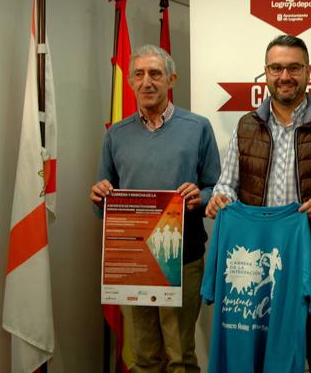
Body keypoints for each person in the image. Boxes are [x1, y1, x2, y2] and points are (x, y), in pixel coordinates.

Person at [206, 34, 311, 373]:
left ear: (308, 73)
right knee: (256, 349)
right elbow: (227, 184)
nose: (285, 76)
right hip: (258, 265)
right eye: (276, 68)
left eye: (294, 68)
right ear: (265, 72)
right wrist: (220, 200)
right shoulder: (247, 126)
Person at [89, 44, 221, 373]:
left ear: (171, 79)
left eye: (155, 74)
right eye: (139, 74)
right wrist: (100, 198)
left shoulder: (197, 128)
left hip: (183, 257)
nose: (147, 81)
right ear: (132, 81)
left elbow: (217, 190)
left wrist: (200, 198)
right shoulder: (116, 135)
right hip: (133, 260)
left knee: (180, 356)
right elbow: (103, 203)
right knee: (142, 357)